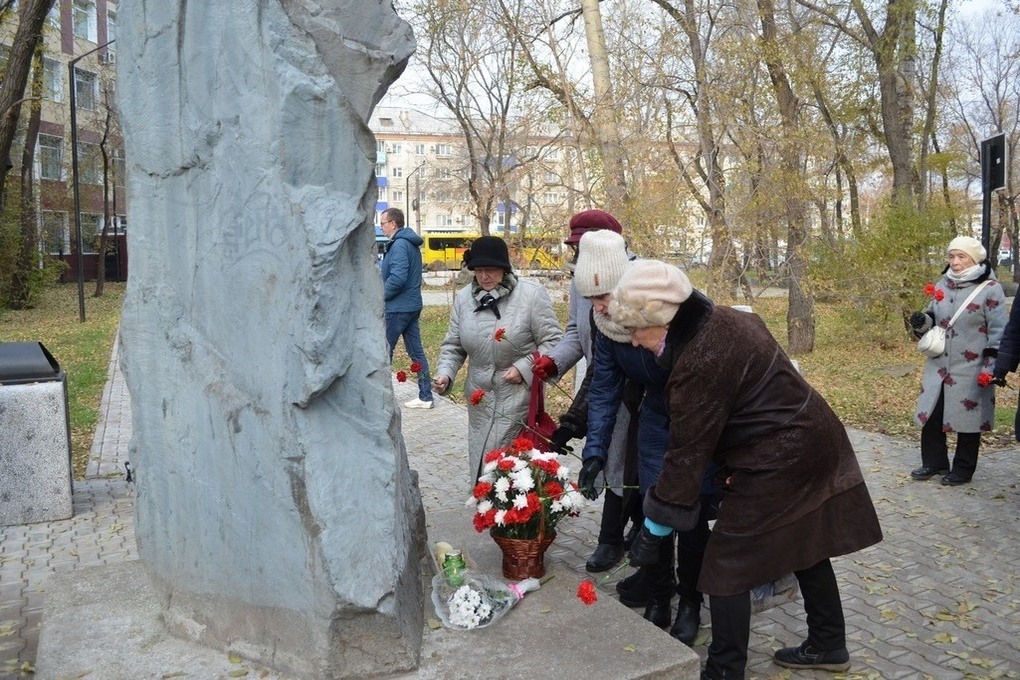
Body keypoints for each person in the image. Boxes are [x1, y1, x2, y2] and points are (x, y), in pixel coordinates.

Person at [611, 259, 883, 679]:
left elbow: (686, 453)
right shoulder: (728, 319)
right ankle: (829, 643)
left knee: (725, 568)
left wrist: (655, 528)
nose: (633, 341)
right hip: (814, 438)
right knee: (807, 545)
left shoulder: (699, 359)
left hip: (783, 457)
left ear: (660, 319)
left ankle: (723, 671)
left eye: (634, 330)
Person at [566, 230, 689, 636]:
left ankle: (689, 602)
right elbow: (603, 388)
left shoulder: (665, 304)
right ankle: (658, 596)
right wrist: (594, 454)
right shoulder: (604, 321)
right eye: (591, 300)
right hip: (654, 414)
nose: (599, 308)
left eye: (604, 298)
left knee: (691, 508)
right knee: (655, 504)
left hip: (692, 415)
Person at [532, 210, 642, 574]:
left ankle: (615, 537)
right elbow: (573, 333)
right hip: (601, 383)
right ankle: (621, 535)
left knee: (629, 462)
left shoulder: (635, 278)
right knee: (610, 458)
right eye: (576, 247)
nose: (579, 254)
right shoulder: (582, 281)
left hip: (636, 386)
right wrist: (554, 362)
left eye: (585, 246)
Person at [432, 235, 562, 485]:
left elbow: (555, 343)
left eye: (490, 270)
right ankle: (492, 514)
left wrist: (525, 368)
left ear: (504, 269)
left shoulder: (531, 296)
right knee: (482, 462)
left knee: (508, 468)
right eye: (478, 270)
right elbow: (453, 345)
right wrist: (445, 374)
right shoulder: (463, 299)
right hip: (479, 397)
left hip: (517, 397)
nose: (484, 276)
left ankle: (517, 518)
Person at [908, 236, 1006, 485]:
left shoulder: (990, 288)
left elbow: (998, 331)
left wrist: (991, 368)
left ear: (974, 259)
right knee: (932, 413)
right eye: (952, 256)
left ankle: (963, 469)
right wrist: (923, 321)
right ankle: (934, 462)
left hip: (972, 366)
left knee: (968, 419)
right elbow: (934, 318)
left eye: (961, 256)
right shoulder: (944, 283)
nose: (955, 262)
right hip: (939, 364)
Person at [380, 208, 434, 409]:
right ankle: (425, 396)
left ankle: (382, 399)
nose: (381, 226)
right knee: (417, 353)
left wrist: (379, 296)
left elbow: (398, 278)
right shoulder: (406, 243)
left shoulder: (400, 244)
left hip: (397, 308)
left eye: (383, 223)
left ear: (393, 223)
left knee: (384, 352)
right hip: (410, 306)